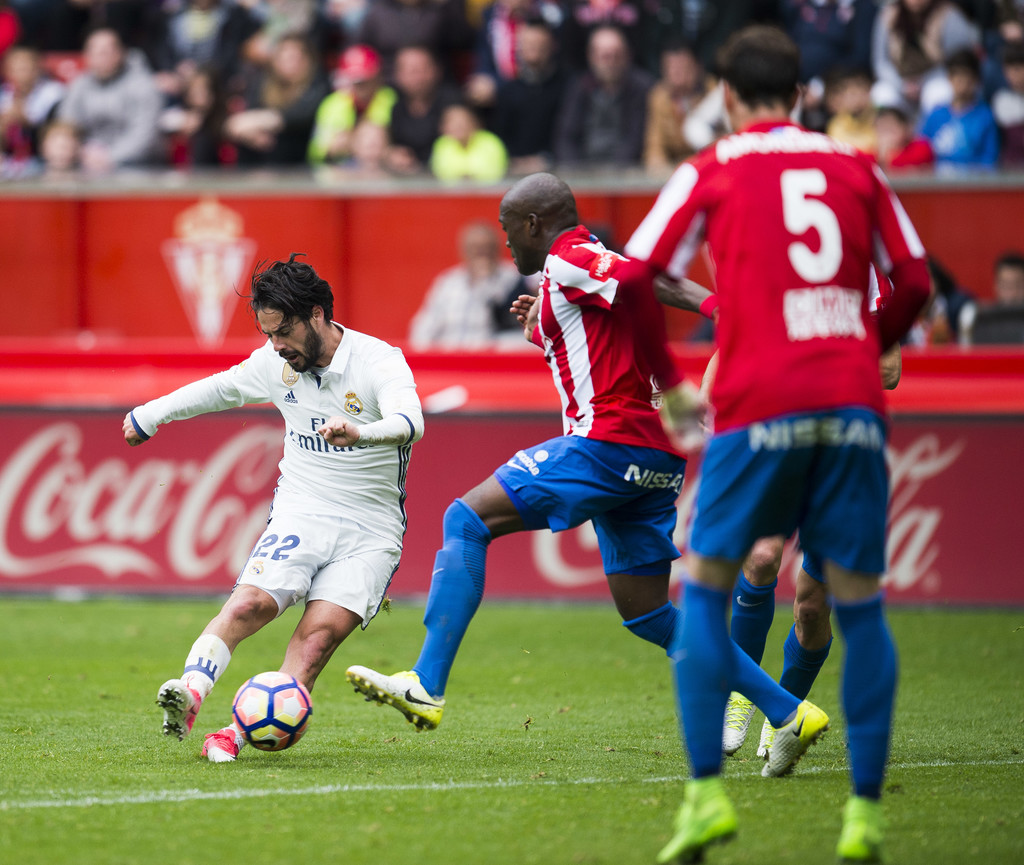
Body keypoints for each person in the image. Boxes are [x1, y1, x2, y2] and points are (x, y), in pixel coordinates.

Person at [345, 175, 828, 795]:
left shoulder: (572, 255)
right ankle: (790, 710)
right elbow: (606, 323)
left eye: (507, 227)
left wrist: (717, 307)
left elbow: (634, 278)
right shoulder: (564, 279)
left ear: (532, 225)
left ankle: (427, 683)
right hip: (655, 460)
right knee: (650, 613)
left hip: (607, 445)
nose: (505, 242)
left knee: (466, 520)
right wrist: (542, 321)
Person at [620, 25, 931, 863]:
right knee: (861, 610)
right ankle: (864, 816)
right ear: (802, 95)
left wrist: (678, 386)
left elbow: (638, 275)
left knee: (705, 589)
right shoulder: (859, 166)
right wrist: (871, 345)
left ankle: (705, 798)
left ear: (725, 95)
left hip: (761, 407)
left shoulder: (713, 168)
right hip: (854, 408)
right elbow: (918, 278)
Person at [122, 253, 424, 762]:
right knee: (250, 603)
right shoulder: (275, 362)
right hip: (302, 510)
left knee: (316, 640)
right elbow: (218, 390)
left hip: (372, 530)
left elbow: (411, 421)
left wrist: (361, 432)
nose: (277, 346)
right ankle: (190, 694)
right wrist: (150, 414)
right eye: (268, 335)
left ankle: (233, 735)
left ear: (318, 315)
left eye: (283, 331)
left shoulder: (379, 361)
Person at [57, 27, 164, 172]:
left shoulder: (143, 85)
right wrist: (81, 152)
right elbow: (66, 125)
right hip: (86, 163)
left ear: (121, 53)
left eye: (107, 51)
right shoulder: (79, 85)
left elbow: (145, 134)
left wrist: (110, 157)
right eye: (95, 51)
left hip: (137, 166)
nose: (102, 56)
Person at [408, 220, 527, 350]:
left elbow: (506, 322)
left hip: (491, 358)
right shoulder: (448, 281)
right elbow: (425, 326)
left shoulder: (513, 278)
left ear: (497, 249)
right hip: (450, 356)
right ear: (463, 251)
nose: (481, 254)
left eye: (487, 248)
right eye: (475, 248)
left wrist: (485, 281)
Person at [553, 24, 654, 168]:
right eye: (605, 57)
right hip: (582, 174)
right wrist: (574, 173)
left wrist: (613, 175)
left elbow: (636, 140)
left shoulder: (643, 88)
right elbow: (566, 137)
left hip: (628, 174)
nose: (611, 63)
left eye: (616, 56)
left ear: (628, 55)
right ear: (591, 57)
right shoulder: (578, 87)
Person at [223, 33, 330, 167]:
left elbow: (302, 116)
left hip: (299, 162)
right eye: (286, 57)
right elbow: (240, 122)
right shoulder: (263, 84)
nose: (291, 63)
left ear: (308, 60)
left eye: (296, 57)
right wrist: (252, 135)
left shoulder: (318, 85)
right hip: (259, 160)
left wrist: (265, 120)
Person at [870, 0, 980, 119]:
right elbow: (880, 62)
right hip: (901, 83)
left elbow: (959, 60)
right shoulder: (889, 16)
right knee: (881, 93)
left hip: (935, 78)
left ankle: (933, 133)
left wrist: (922, 82)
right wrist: (902, 86)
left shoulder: (947, 15)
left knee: (939, 92)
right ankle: (892, 133)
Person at [491, 17, 568, 175]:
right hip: (515, 172)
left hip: (559, 171)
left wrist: (547, 159)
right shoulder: (508, 91)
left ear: (552, 46)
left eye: (540, 45)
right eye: (529, 44)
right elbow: (500, 136)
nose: (535, 49)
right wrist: (514, 161)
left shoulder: (568, 87)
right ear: (519, 48)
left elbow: (569, 134)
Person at [307, 44, 396, 166]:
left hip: (385, 169)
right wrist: (330, 149)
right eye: (355, 81)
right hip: (342, 171)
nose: (360, 86)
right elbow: (316, 150)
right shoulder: (332, 105)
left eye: (365, 80)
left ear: (376, 77)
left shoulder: (391, 100)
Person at [385, 45, 462, 174]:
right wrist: (388, 154)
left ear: (438, 70)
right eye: (412, 71)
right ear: (397, 75)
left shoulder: (453, 103)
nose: (419, 77)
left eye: (424, 69)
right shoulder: (389, 102)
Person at [920, 47, 1000, 171]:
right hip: (936, 185)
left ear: (976, 81)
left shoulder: (985, 116)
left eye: (967, 79)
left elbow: (989, 160)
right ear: (949, 79)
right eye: (958, 78)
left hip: (972, 185)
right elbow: (921, 152)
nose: (962, 85)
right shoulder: (936, 114)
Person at [643, 39, 706, 173]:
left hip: (707, 170)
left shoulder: (716, 94)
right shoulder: (658, 98)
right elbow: (654, 148)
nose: (679, 76)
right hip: (672, 174)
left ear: (698, 67)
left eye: (684, 68)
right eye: (672, 69)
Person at [429, 102, 508, 183]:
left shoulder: (490, 141)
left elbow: (494, 170)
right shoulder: (442, 143)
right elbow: (442, 171)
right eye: (453, 123)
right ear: (443, 127)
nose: (459, 126)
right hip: (450, 193)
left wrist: (463, 175)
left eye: (462, 122)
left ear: (473, 123)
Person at [991, 38, 1024, 166]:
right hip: (1010, 170)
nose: (1016, 74)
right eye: (1011, 68)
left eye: (1019, 67)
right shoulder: (1000, 100)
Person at [874, 103, 936, 171]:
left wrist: (885, 158)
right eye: (882, 129)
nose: (887, 135)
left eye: (891, 128)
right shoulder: (874, 153)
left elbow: (904, 166)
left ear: (905, 127)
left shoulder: (921, 147)